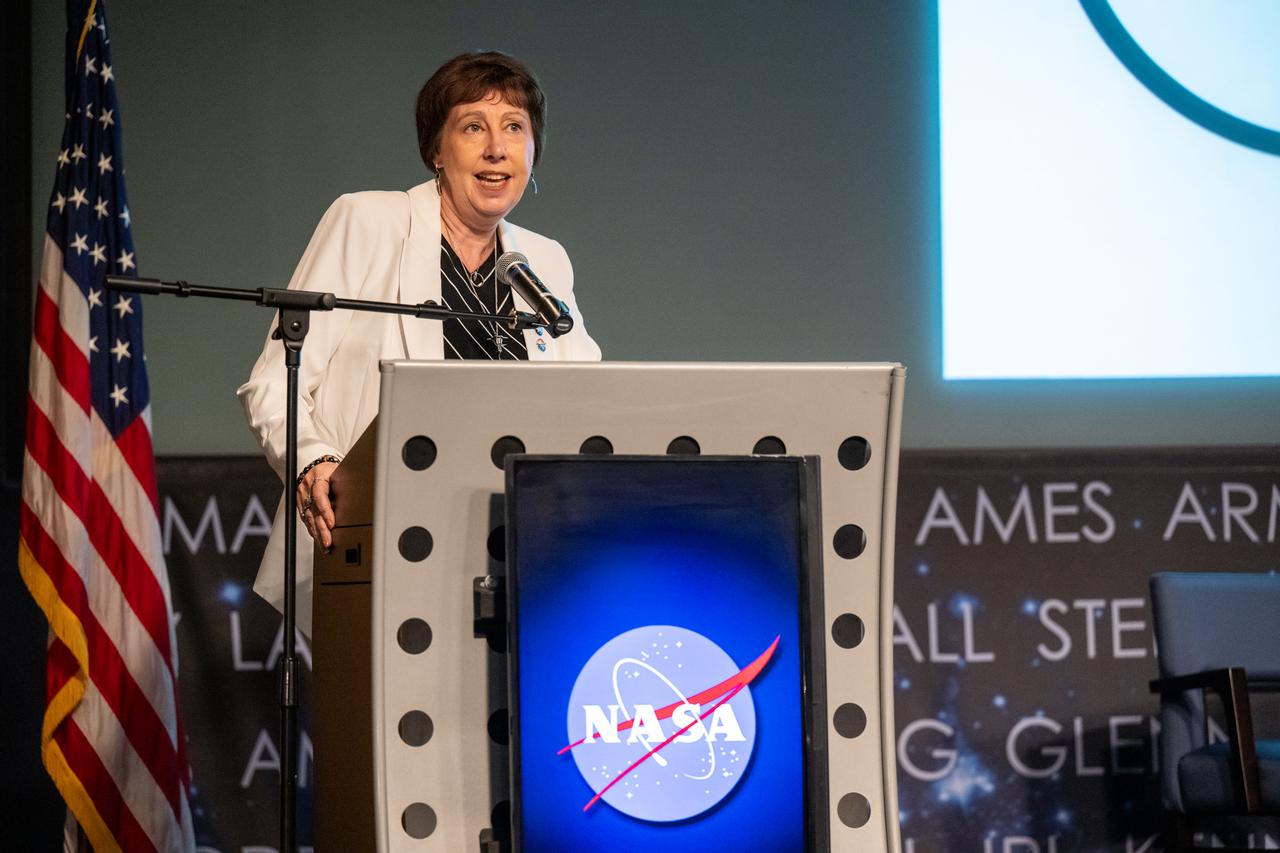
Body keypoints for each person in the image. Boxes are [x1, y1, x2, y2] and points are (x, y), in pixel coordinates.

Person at [237, 51, 601, 633]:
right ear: (436, 149)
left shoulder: (545, 261)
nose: (496, 148)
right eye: (473, 127)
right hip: (380, 539)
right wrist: (316, 464)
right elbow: (274, 380)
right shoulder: (368, 222)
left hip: (515, 550)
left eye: (514, 128)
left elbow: (586, 397)